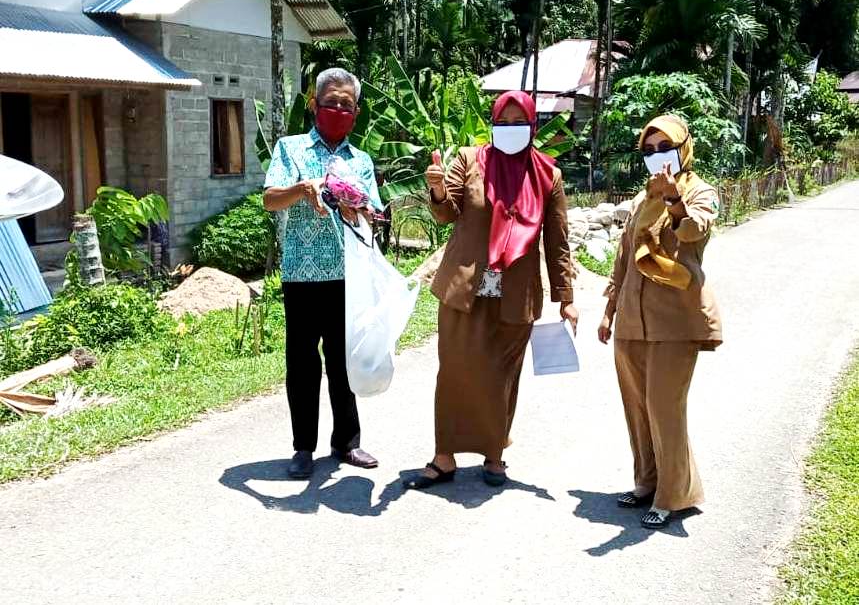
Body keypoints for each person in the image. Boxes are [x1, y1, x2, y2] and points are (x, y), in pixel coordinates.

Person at [405, 90, 578, 490]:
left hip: (516, 293)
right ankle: (444, 456)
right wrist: (435, 190)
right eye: (504, 122)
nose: (511, 130)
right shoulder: (470, 160)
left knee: (502, 376)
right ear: (492, 124)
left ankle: (494, 454)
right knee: (455, 372)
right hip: (465, 287)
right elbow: (447, 213)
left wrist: (565, 298)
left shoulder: (548, 176)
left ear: (533, 127)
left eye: (520, 124)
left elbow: (558, 242)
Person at [597, 114, 723, 529]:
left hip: (674, 320)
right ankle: (647, 482)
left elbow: (693, 233)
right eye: (649, 150)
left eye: (664, 148)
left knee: (664, 407)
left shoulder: (701, 191)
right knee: (636, 408)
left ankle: (673, 496)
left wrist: (673, 200)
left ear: (683, 147)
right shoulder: (639, 199)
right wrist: (609, 310)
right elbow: (623, 257)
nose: (656, 157)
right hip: (632, 320)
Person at [263, 68, 383, 479]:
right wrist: (303, 188)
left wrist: (364, 209)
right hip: (301, 274)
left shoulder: (360, 160)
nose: (337, 110)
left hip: (347, 276)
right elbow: (269, 199)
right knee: (302, 364)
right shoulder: (290, 149)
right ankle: (302, 448)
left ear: (357, 111)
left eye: (346, 105)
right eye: (330, 102)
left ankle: (347, 442)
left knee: (343, 361)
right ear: (314, 105)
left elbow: (375, 211)